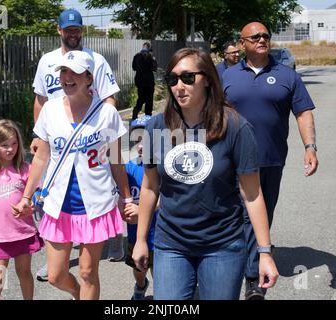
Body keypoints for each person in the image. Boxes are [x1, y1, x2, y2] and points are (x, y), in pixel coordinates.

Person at [132, 48, 279, 300]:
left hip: (223, 246)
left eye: (188, 78)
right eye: (172, 79)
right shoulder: (157, 126)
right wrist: (141, 239)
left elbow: (252, 195)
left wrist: (264, 252)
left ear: (208, 79)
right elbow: (149, 186)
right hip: (171, 244)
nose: (179, 86)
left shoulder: (235, 127)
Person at [12, 50, 132, 300]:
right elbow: (42, 157)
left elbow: (117, 160)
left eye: (74, 72)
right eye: (63, 72)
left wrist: (126, 198)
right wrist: (27, 195)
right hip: (59, 205)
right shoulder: (51, 110)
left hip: (95, 205)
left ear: (89, 77)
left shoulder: (107, 113)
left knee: (88, 272)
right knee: (55, 275)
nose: (67, 77)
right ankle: (78, 294)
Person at [222, 22, 319, 300]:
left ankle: (252, 266)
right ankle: (251, 273)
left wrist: (310, 146)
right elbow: (212, 114)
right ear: (242, 44)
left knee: (263, 214)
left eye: (266, 35)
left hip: (270, 158)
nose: (262, 39)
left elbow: (303, 113)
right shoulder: (227, 76)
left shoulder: (287, 75)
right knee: (237, 214)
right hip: (232, 159)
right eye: (255, 37)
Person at [31, 9, 124, 281]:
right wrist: (39, 135)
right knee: (56, 193)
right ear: (59, 30)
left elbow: (109, 98)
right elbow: (40, 98)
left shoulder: (96, 60)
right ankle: (56, 259)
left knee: (96, 186)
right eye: (67, 29)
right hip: (57, 135)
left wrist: (100, 129)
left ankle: (111, 233)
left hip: (89, 133)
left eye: (77, 28)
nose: (73, 33)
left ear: (82, 30)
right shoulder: (47, 61)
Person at [0, 119, 43, 300]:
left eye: (14, 143)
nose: (10, 149)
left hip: (22, 234)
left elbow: (39, 196)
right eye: (4, 145)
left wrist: (34, 206)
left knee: (24, 273)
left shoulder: (25, 169)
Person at [123, 115, 158, 300]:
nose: (141, 144)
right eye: (137, 140)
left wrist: (143, 210)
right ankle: (141, 285)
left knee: (158, 271)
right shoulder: (129, 167)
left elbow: (169, 197)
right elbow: (121, 194)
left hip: (160, 232)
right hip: (136, 233)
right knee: (139, 268)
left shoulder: (163, 167)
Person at [131, 42, 157, 120]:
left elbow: (134, 68)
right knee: (149, 100)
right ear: (149, 48)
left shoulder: (136, 56)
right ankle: (148, 116)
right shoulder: (152, 57)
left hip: (140, 81)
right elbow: (154, 68)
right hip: (149, 82)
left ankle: (135, 112)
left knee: (141, 98)